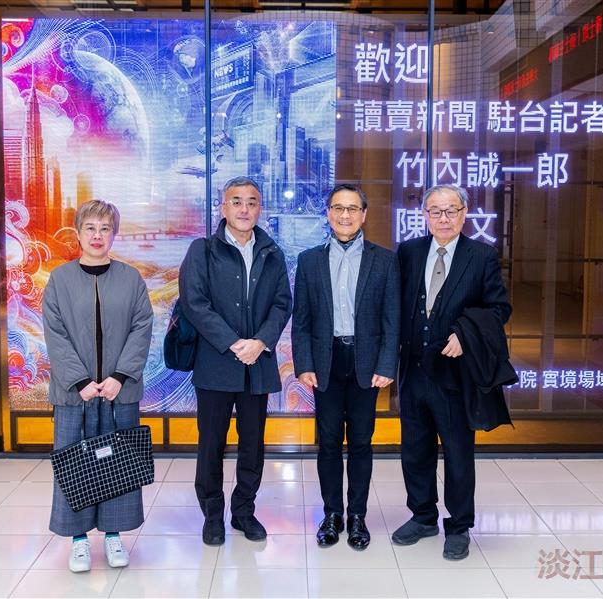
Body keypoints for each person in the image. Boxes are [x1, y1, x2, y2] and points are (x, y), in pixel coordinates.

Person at [393, 184, 513, 561]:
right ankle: (423, 516)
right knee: (415, 450)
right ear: (424, 215)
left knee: (459, 454)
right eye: (435, 211)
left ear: (464, 213)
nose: (443, 219)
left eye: (450, 211)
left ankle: (458, 526)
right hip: (413, 372)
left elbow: (499, 309)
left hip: (454, 375)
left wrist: (464, 333)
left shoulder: (481, 256)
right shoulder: (409, 252)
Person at [179, 176, 292, 546]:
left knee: (253, 445)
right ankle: (212, 514)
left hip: (257, 364)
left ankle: (244, 512)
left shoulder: (272, 252)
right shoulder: (203, 251)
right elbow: (195, 303)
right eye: (236, 201)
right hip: (215, 364)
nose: (244, 209)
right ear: (222, 207)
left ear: (261, 208)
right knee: (211, 443)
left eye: (252, 202)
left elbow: (281, 303)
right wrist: (232, 343)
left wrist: (260, 341)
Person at [43, 200, 154, 572]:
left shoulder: (131, 278)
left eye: (105, 229)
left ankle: (113, 535)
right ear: (77, 233)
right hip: (75, 394)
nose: (97, 235)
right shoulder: (59, 279)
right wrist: (80, 382)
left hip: (117, 392)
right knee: (74, 463)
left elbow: (142, 327)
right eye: (90, 228)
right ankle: (78, 540)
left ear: (114, 234)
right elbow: (55, 335)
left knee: (117, 463)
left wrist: (119, 377)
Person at [292, 184, 400, 550]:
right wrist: (303, 364)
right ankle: (331, 515)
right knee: (327, 444)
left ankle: (357, 516)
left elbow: (392, 319)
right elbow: (302, 320)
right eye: (338, 208)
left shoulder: (384, 260)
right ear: (328, 213)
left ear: (364, 215)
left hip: (366, 364)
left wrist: (387, 363)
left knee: (360, 443)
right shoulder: (309, 260)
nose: (345, 215)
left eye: (353, 209)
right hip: (324, 363)